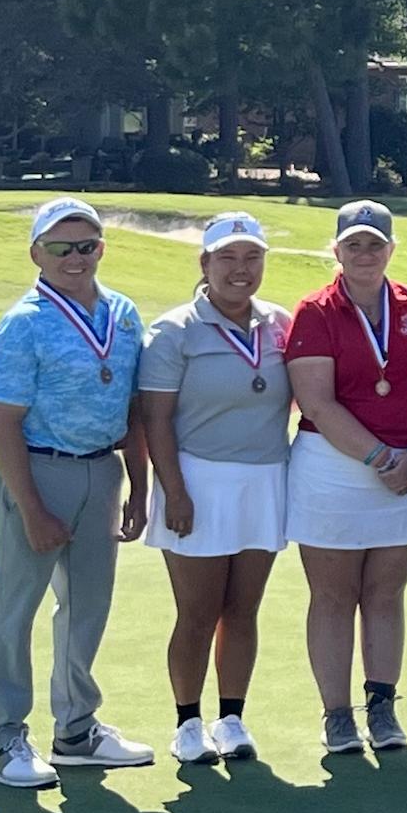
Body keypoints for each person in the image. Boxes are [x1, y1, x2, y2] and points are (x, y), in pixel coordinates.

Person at [0, 199, 153, 787]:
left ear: (101, 249)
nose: (75, 258)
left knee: (86, 607)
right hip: (36, 470)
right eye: (60, 248)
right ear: (37, 254)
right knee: (15, 611)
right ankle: (6, 741)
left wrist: (138, 483)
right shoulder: (23, 322)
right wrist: (32, 508)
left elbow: (133, 406)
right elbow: (4, 422)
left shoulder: (124, 314)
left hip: (101, 471)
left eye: (87, 246)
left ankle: (76, 731)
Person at [284, 200, 407, 755]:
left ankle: (382, 706)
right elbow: (318, 402)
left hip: (406, 468)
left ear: (391, 249)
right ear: (336, 250)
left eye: (375, 244)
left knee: (385, 594)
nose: (364, 254)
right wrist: (383, 459)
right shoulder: (314, 311)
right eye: (353, 244)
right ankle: (337, 715)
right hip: (334, 471)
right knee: (332, 596)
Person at [138, 211, 293, 766]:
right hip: (197, 481)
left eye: (252, 257)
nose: (240, 269)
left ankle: (232, 718)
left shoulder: (280, 324)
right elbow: (155, 419)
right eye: (226, 257)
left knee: (243, 609)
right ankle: (187, 722)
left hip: (264, 480)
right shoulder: (174, 331)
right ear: (204, 264)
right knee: (198, 612)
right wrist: (173, 491)